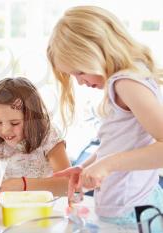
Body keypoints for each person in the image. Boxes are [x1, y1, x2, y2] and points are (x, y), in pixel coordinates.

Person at [48, 5, 163, 226]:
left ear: (98, 50)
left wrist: (107, 165)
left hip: (133, 211)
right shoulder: (125, 82)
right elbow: (123, 143)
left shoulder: (126, 83)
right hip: (125, 208)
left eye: (80, 71)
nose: (80, 81)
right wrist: (88, 165)